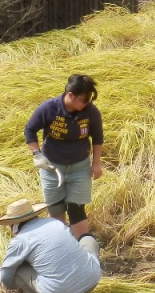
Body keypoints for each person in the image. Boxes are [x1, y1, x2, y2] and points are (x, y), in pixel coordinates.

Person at [0, 198, 102, 293]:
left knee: (19, 270)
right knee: (87, 240)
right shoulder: (54, 223)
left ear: (13, 225)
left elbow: (6, 273)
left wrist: (14, 286)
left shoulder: (20, 241)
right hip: (92, 279)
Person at [25, 74, 103, 241]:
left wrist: (96, 164)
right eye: (83, 100)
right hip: (52, 167)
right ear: (70, 95)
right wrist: (36, 154)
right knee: (56, 210)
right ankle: (63, 247)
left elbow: (97, 138)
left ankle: (82, 249)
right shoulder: (49, 108)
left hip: (79, 167)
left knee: (76, 208)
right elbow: (29, 130)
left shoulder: (90, 111)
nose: (85, 104)